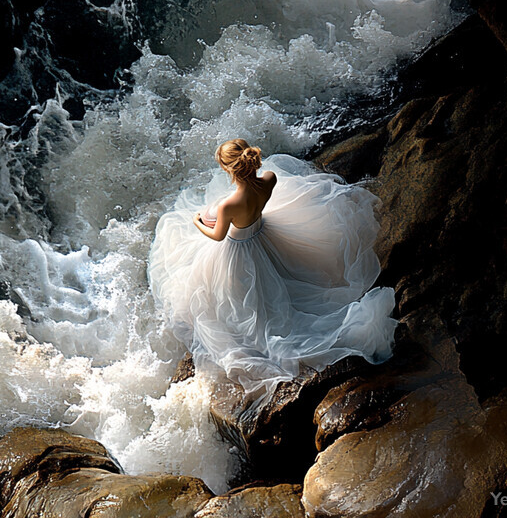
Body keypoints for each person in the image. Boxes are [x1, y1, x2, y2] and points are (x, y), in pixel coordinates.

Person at [148, 139, 397, 402]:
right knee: (281, 279)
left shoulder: (228, 205)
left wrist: (197, 221)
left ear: (230, 170)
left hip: (237, 252)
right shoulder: (269, 179)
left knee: (237, 302)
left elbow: (218, 236)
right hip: (264, 237)